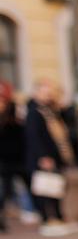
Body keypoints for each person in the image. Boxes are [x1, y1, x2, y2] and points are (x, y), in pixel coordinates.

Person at [24, 78, 78, 236]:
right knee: (45, 189)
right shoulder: (34, 112)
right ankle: (47, 220)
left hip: (55, 156)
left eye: (50, 92)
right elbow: (34, 137)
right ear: (37, 93)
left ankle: (58, 217)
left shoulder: (50, 110)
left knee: (57, 188)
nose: (48, 95)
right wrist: (43, 156)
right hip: (42, 158)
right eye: (45, 91)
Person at [0, 82, 28, 230]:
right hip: (6, 161)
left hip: (13, 160)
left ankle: (31, 212)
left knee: (7, 191)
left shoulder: (13, 118)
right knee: (4, 192)